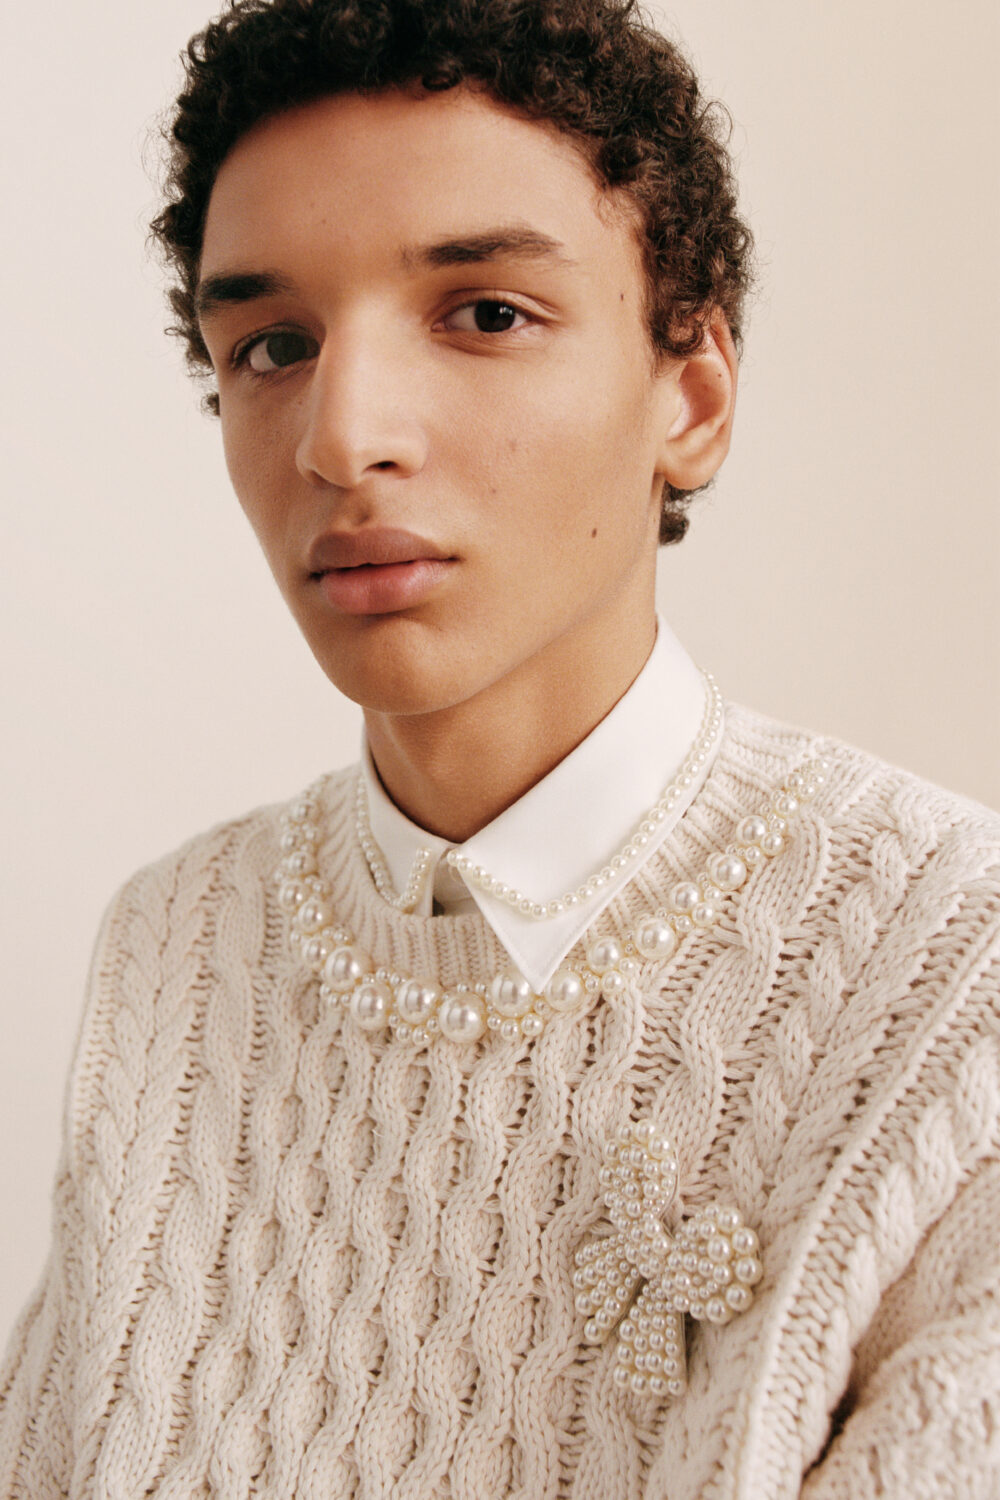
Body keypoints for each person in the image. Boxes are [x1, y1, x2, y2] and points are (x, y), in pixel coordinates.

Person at [2, 0, 998, 1493]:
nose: (342, 437)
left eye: (484, 315)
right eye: (271, 344)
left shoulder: (955, 979)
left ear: (691, 394)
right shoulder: (178, 947)